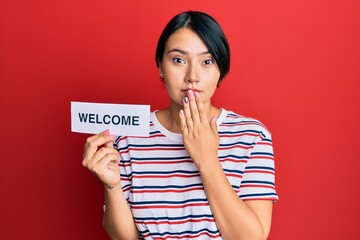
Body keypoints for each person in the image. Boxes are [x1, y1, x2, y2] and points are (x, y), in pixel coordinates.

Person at [82, 10, 278, 240]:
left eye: (207, 62)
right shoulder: (128, 137)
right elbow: (125, 238)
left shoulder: (252, 136)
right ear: (160, 65)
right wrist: (112, 185)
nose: (192, 76)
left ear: (221, 70)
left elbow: (252, 238)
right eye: (178, 60)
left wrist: (207, 161)